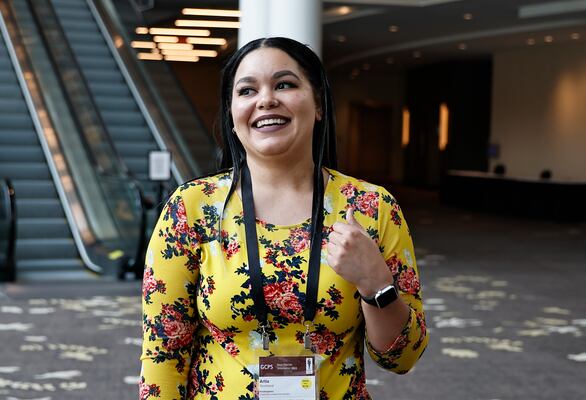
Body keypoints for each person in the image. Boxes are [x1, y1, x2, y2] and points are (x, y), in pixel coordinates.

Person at [140, 37, 428, 400]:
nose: (265, 100)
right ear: (231, 114)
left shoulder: (371, 208)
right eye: (247, 90)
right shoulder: (193, 208)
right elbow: (164, 353)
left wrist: (376, 285)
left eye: (285, 84)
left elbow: (402, 357)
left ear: (318, 104)